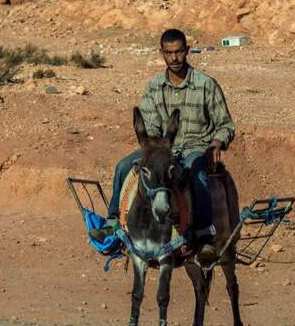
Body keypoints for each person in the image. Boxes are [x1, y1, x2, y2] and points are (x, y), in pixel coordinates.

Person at [94, 28, 236, 261]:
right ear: (162, 53)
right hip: (161, 150)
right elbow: (150, 129)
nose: (175, 58)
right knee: (122, 167)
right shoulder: (153, 87)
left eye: (179, 52)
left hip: (195, 147)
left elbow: (225, 124)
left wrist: (217, 143)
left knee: (196, 170)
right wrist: (154, 150)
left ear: (187, 51)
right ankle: (113, 224)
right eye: (169, 53)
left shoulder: (206, 85)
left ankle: (203, 236)